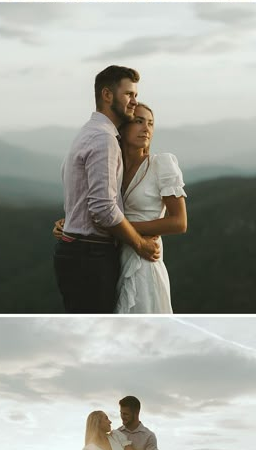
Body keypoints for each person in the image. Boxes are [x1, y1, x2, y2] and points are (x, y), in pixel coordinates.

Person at [53, 66, 160, 314]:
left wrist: (69, 222)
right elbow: (103, 208)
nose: (134, 101)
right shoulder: (104, 139)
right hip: (91, 255)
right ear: (107, 95)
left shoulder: (87, 132)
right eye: (129, 94)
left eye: (135, 95)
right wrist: (140, 244)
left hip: (77, 250)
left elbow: (78, 192)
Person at [115, 102, 187, 313]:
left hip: (144, 261)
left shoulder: (161, 164)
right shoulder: (113, 167)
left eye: (151, 124)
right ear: (123, 127)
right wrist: (72, 223)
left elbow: (179, 222)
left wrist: (120, 228)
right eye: (138, 121)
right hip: (114, 258)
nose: (146, 128)